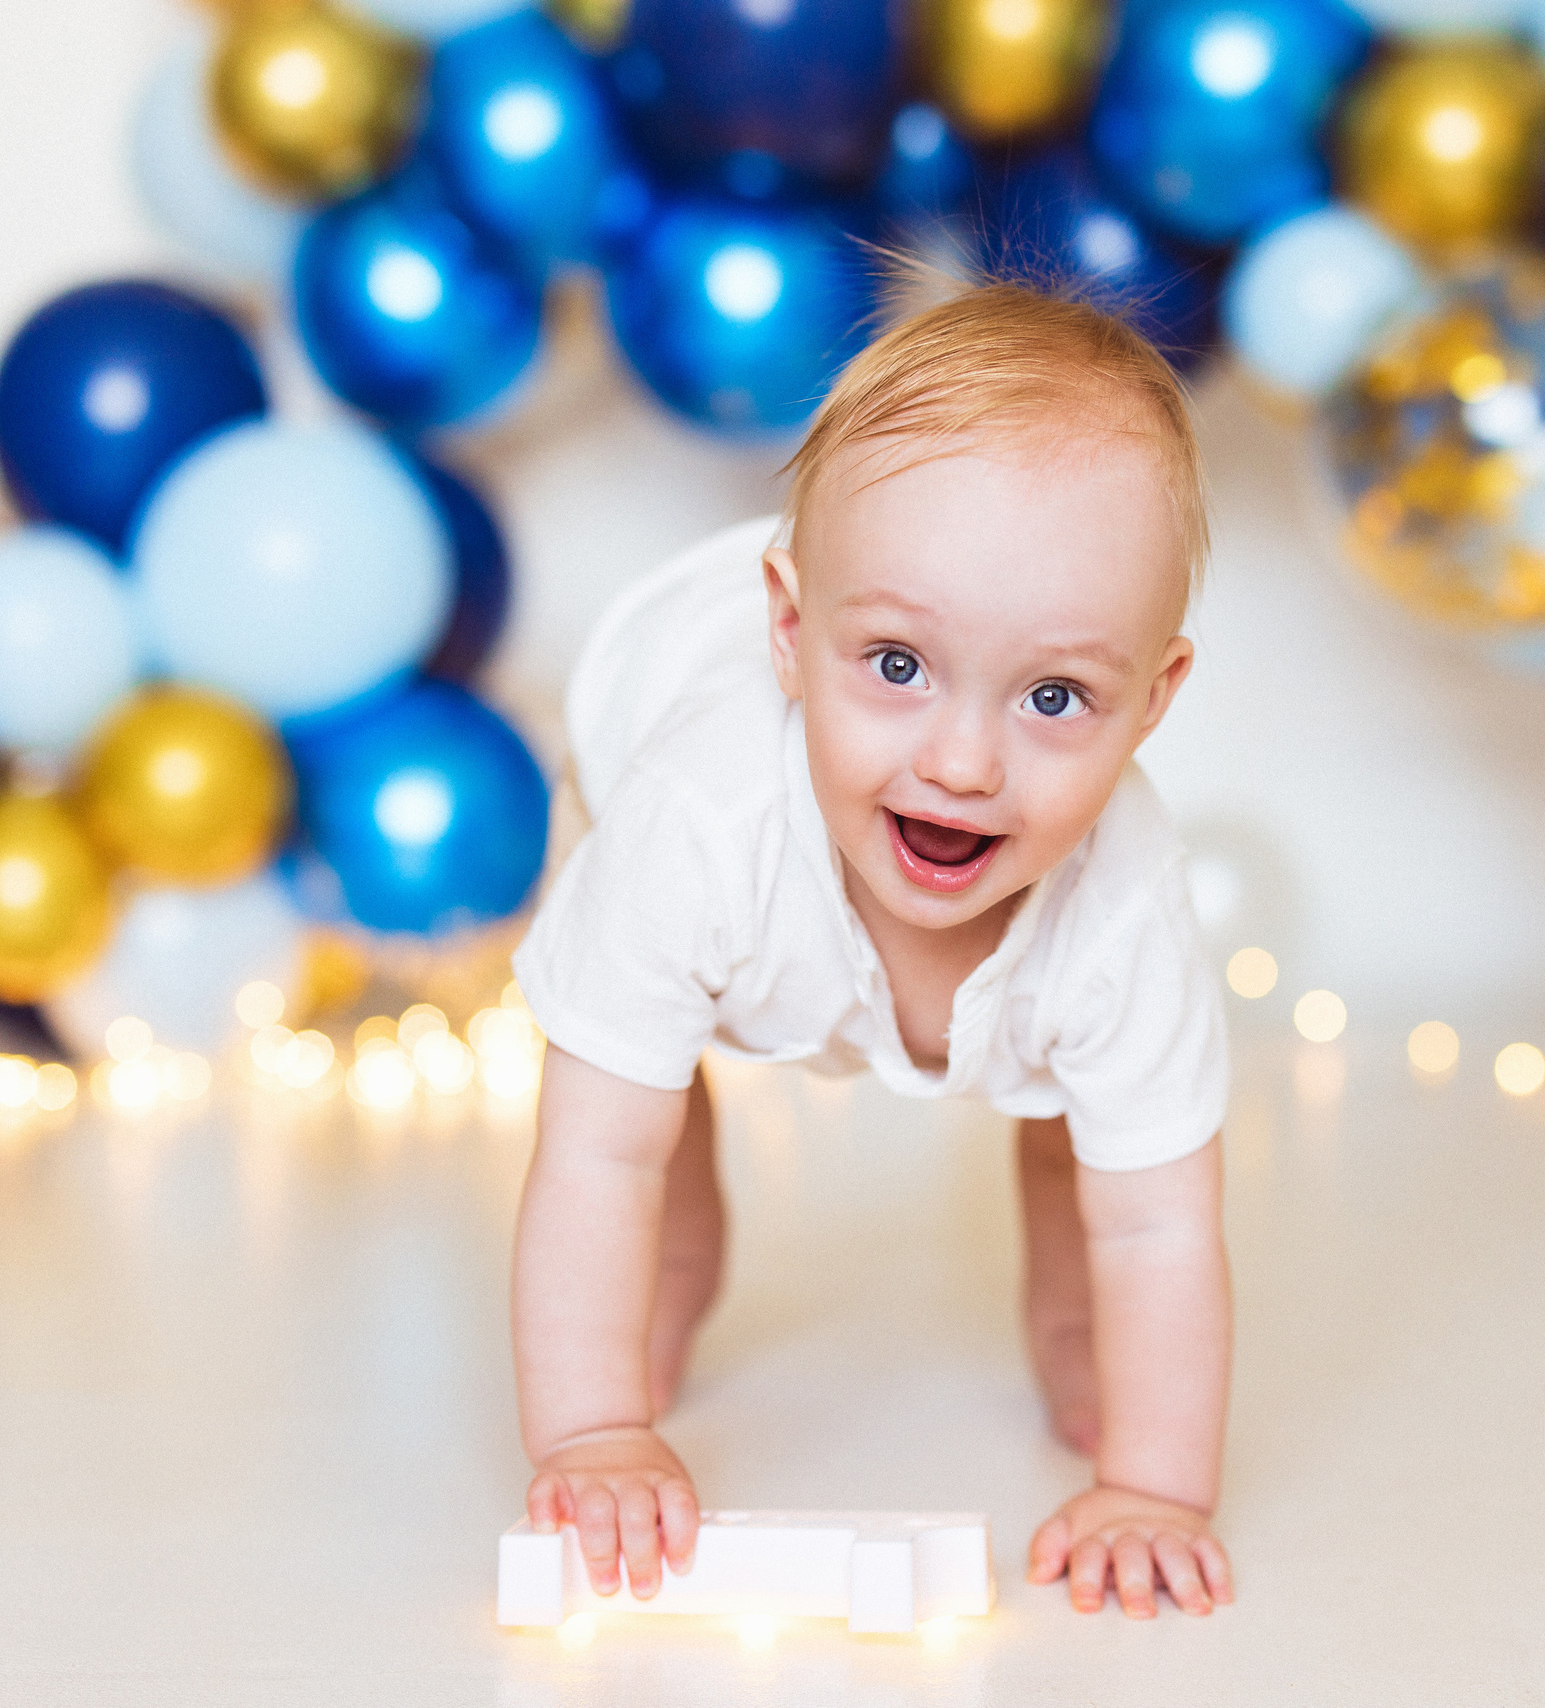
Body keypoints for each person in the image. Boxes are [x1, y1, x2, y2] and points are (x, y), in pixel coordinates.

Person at [509, 281, 1233, 1619]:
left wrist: (1156, 1486)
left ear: (1154, 701)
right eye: (895, 665)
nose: (961, 763)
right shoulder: (689, 820)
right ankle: (666, 1285)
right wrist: (591, 1433)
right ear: (790, 633)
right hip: (636, 783)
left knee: (1078, 1128)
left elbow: (1161, 1218)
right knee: (642, 1136)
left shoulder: (1124, 906)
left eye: (1057, 696)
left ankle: (1071, 1335)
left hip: (1018, 980)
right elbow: (592, 1148)